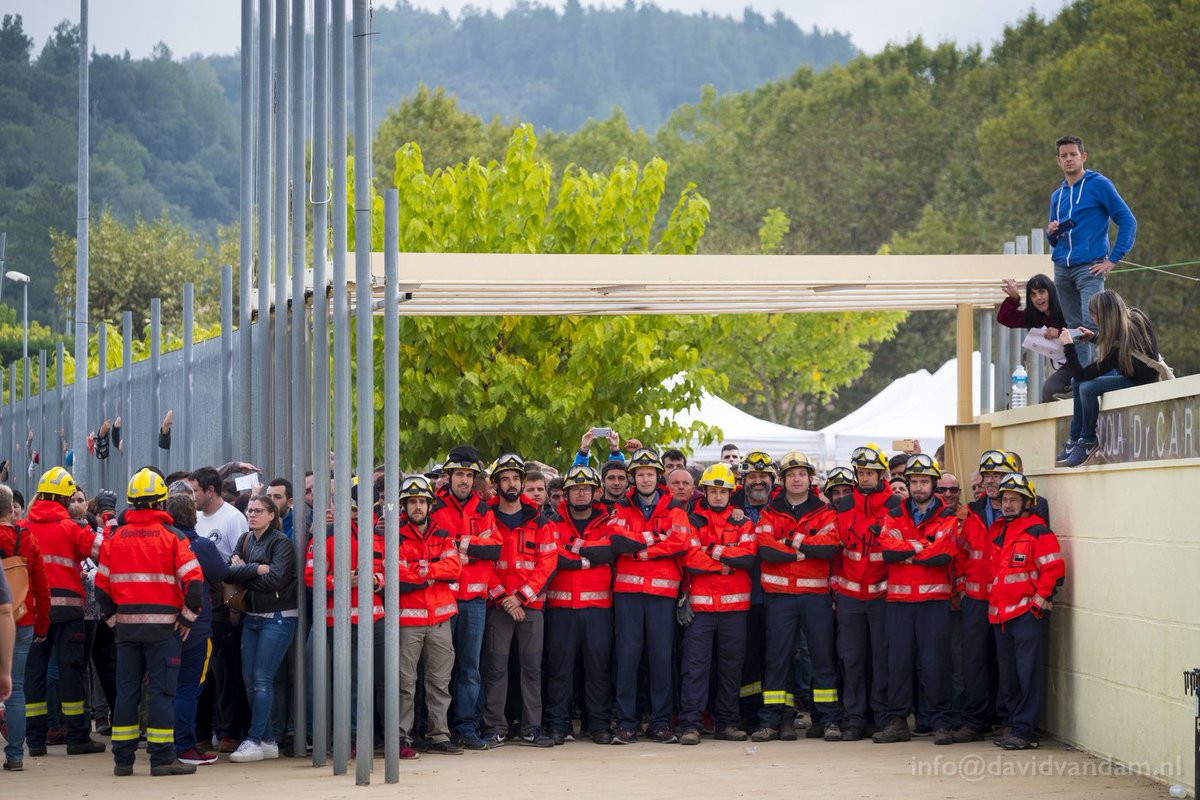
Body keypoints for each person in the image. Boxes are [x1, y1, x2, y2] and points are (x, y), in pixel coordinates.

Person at [97, 468, 204, 777]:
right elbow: (194, 584)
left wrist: (115, 621)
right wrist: (187, 617)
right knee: (161, 692)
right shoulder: (173, 537)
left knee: (127, 691)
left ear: (131, 503)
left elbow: (101, 586)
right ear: (161, 503)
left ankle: (123, 760)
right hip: (165, 629)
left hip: (127, 629)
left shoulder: (115, 537)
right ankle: (161, 758)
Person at [752, 451, 839, 743]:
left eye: (802, 473)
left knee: (821, 658)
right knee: (777, 660)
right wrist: (805, 550)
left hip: (815, 597)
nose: (797, 479)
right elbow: (765, 550)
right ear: (782, 480)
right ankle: (774, 721)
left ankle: (827, 720)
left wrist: (790, 541)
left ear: (810, 478)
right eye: (791, 474)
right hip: (780, 597)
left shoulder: (825, 512)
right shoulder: (770, 512)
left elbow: (829, 548)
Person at [607, 448, 692, 744]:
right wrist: (657, 539)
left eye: (650, 474)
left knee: (661, 659)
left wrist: (641, 549)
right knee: (627, 658)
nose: (645, 479)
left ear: (659, 477)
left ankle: (659, 724)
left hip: (662, 594)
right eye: (640, 474)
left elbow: (680, 542)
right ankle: (627, 724)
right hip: (628, 594)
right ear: (634, 477)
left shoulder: (676, 509)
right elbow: (617, 540)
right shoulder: (621, 508)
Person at [873, 455, 959, 745]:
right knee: (897, 662)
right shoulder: (895, 514)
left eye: (924, 481)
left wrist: (907, 548)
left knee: (935, 663)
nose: (918, 487)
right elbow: (887, 549)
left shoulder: (948, 516)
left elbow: (943, 554)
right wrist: (922, 546)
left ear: (934, 484)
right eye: (914, 481)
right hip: (898, 602)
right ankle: (897, 722)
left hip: (933, 602)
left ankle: (941, 722)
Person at [22, 467, 106, 757]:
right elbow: (102, 551)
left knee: (34, 674)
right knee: (71, 673)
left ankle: (34, 741)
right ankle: (77, 738)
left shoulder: (23, 527)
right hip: (70, 612)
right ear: (65, 498)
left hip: (32, 612)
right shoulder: (71, 528)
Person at [480, 454, 557, 749]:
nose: (511, 484)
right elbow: (481, 561)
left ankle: (531, 727)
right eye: (505, 478)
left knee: (532, 668)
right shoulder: (485, 517)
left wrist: (522, 597)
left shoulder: (539, 519)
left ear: (523, 482)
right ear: (497, 483)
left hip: (530, 606)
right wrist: (503, 597)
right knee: (496, 667)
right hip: (497, 604)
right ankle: (495, 727)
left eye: (516, 478)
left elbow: (547, 563)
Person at [677, 463, 758, 745]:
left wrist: (711, 550)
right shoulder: (694, 522)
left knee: (731, 668)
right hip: (701, 610)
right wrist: (725, 563)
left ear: (730, 493)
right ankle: (691, 724)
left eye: (723, 491)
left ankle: (726, 723)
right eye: (714, 491)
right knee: (695, 668)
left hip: (735, 611)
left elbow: (748, 558)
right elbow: (691, 560)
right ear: (706, 492)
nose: (719, 496)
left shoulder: (743, 522)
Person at [988, 473, 1065, 750]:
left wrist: (1036, 606)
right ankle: (1013, 725)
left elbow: (1055, 572)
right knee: (1009, 676)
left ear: (1027, 502)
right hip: (1001, 617)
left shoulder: (1038, 531)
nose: (1007, 505)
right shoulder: (997, 530)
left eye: (1014, 500)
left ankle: (1025, 731)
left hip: (1026, 617)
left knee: (1027, 675)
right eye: (1004, 499)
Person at [543, 466, 617, 745]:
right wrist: (588, 556)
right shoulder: (553, 522)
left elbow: (610, 551)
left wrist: (573, 547)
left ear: (596, 492)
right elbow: (554, 556)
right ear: (567, 494)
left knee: (598, 669)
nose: (581, 492)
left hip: (597, 609)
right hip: (561, 609)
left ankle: (598, 725)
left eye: (586, 488)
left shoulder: (608, 521)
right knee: (560, 670)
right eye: (575, 488)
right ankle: (557, 726)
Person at [1047, 134, 1136, 366]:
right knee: (1074, 329)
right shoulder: (1057, 196)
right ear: (1058, 161)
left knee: (1092, 322)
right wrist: (1052, 232)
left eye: (1073, 155)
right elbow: (1054, 242)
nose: (1069, 160)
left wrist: (1113, 259)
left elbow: (1127, 220)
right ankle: (1083, 377)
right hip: (1062, 269)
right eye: (1064, 156)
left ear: (1083, 156)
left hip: (1090, 268)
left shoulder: (1099, 184)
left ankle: (1108, 370)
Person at [224, 493, 298, 762]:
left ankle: (255, 739)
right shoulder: (245, 540)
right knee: (249, 681)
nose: (251, 514)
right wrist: (256, 570)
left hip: (278, 616)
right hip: (251, 616)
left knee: (262, 678)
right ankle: (267, 740)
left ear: (271, 514)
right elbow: (227, 572)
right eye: (249, 510)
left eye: (257, 510)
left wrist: (245, 572)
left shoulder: (281, 543)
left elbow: (277, 580)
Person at [432, 445, 497, 751]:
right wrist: (471, 546)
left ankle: (467, 727)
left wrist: (456, 548)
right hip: (441, 597)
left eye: (469, 476)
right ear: (449, 476)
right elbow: (430, 550)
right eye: (459, 474)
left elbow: (494, 549)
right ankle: (435, 730)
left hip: (473, 599)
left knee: (470, 668)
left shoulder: (484, 510)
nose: (464, 481)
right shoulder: (433, 507)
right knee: (437, 670)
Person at [831, 445, 898, 741]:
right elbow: (835, 552)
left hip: (882, 596)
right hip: (849, 597)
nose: (865, 477)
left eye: (870, 473)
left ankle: (882, 717)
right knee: (851, 660)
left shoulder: (896, 505)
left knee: (882, 660)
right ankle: (855, 719)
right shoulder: (843, 506)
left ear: (881, 474)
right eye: (861, 473)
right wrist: (836, 589)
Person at [950, 449, 1015, 744]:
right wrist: (963, 587)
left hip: (1007, 601)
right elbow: (960, 552)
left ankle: (1007, 720)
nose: (991, 481)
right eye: (988, 475)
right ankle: (975, 721)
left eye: (998, 475)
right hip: (975, 601)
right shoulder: (972, 511)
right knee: (974, 662)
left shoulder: (1021, 511)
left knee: (1006, 662)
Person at [394, 476, 462, 756]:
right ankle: (401, 737)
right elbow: (398, 575)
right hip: (408, 623)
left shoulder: (443, 536)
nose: (418, 507)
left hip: (439, 621)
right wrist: (432, 573)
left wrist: (422, 572)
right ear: (404, 506)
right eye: (412, 502)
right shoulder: (394, 537)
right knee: (404, 684)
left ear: (430, 505)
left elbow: (454, 569)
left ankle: (439, 735)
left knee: (439, 683)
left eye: (422, 501)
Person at [1057, 290, 1161, 467]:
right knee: (1078, 383)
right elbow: (1128, 345)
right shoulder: (1136, 316)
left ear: (1102, 316)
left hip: (1138, 381)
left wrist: (1068, 346)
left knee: (1086, 387)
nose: (1093, 319)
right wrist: (1095, 338)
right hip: (1133, 373)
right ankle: (1075, 439)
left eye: (1093, 315)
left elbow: (1082, 374)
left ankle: (1088, 439)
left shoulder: (1117, 349)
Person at [187, 465, 250, 752]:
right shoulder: (196, 517)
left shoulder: (233, 519)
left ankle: (228, 731)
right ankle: (203, 730)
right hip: (198, 601)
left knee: (224, 671)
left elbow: (240, 559)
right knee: (201, 672)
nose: (192, 496)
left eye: (195, 491)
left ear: (210, 490)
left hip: (221, 602)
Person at [164, 492, 228, 767]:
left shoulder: (160, 543)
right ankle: (185, 747)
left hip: (162, 624)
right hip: (196, 624)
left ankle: (161, 744)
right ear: (193, 515)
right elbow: (220, 574)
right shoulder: (200, 546)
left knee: (164, 688)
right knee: (189, 688)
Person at [0, 483, 50, 771]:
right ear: (11, 509)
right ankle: (16, 755)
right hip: (22, 619)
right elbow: (42, 590)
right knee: (16, 689)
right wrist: (41, 627)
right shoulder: (27, 540)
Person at [999, 274, 1073, 401]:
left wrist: (1060, 332)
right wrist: (1014, 298)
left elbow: (1085, 331)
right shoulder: (1034, 316)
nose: (1038, 298)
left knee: (1078, 386)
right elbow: (1005, 318)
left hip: (1087, 359)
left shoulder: (1067, 308)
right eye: (1033, 294)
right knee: (1049, 391)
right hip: (1069, 365)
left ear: (1051, 292)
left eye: (1042, 292)